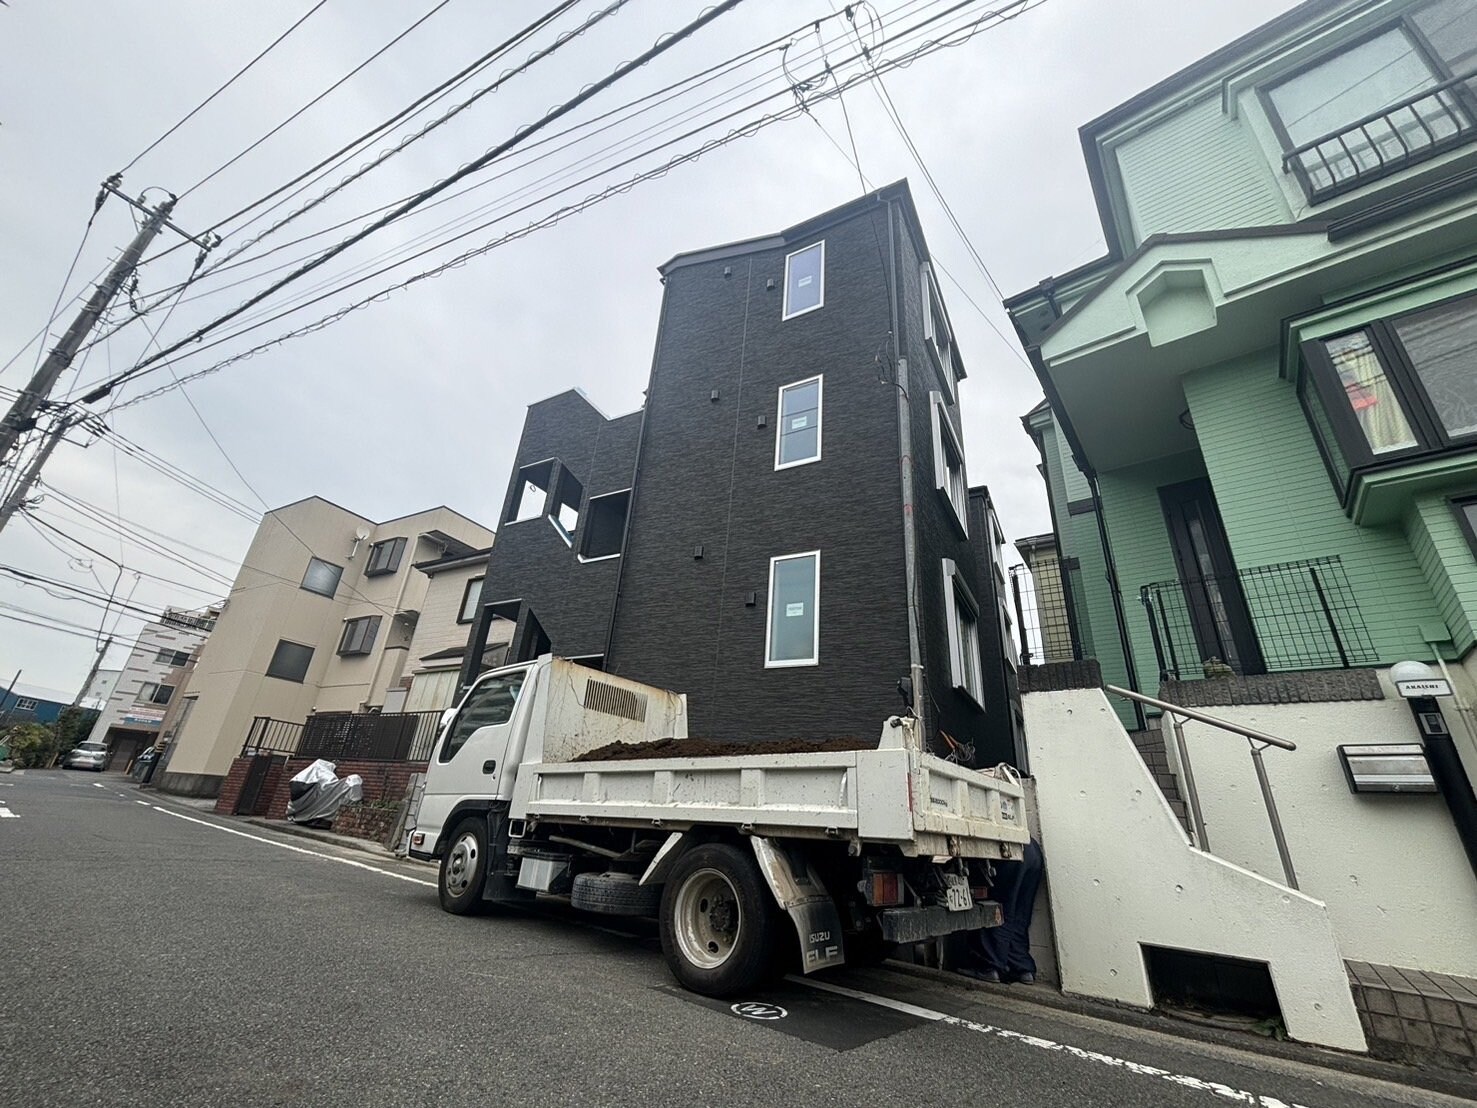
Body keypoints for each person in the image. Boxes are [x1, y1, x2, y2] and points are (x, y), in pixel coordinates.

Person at [962, 837, 1043, 984]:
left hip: (1005, 851)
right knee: (1020, 914)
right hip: (1031, 849)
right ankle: (1022, 968)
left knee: (998, 910)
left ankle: (989, 966)